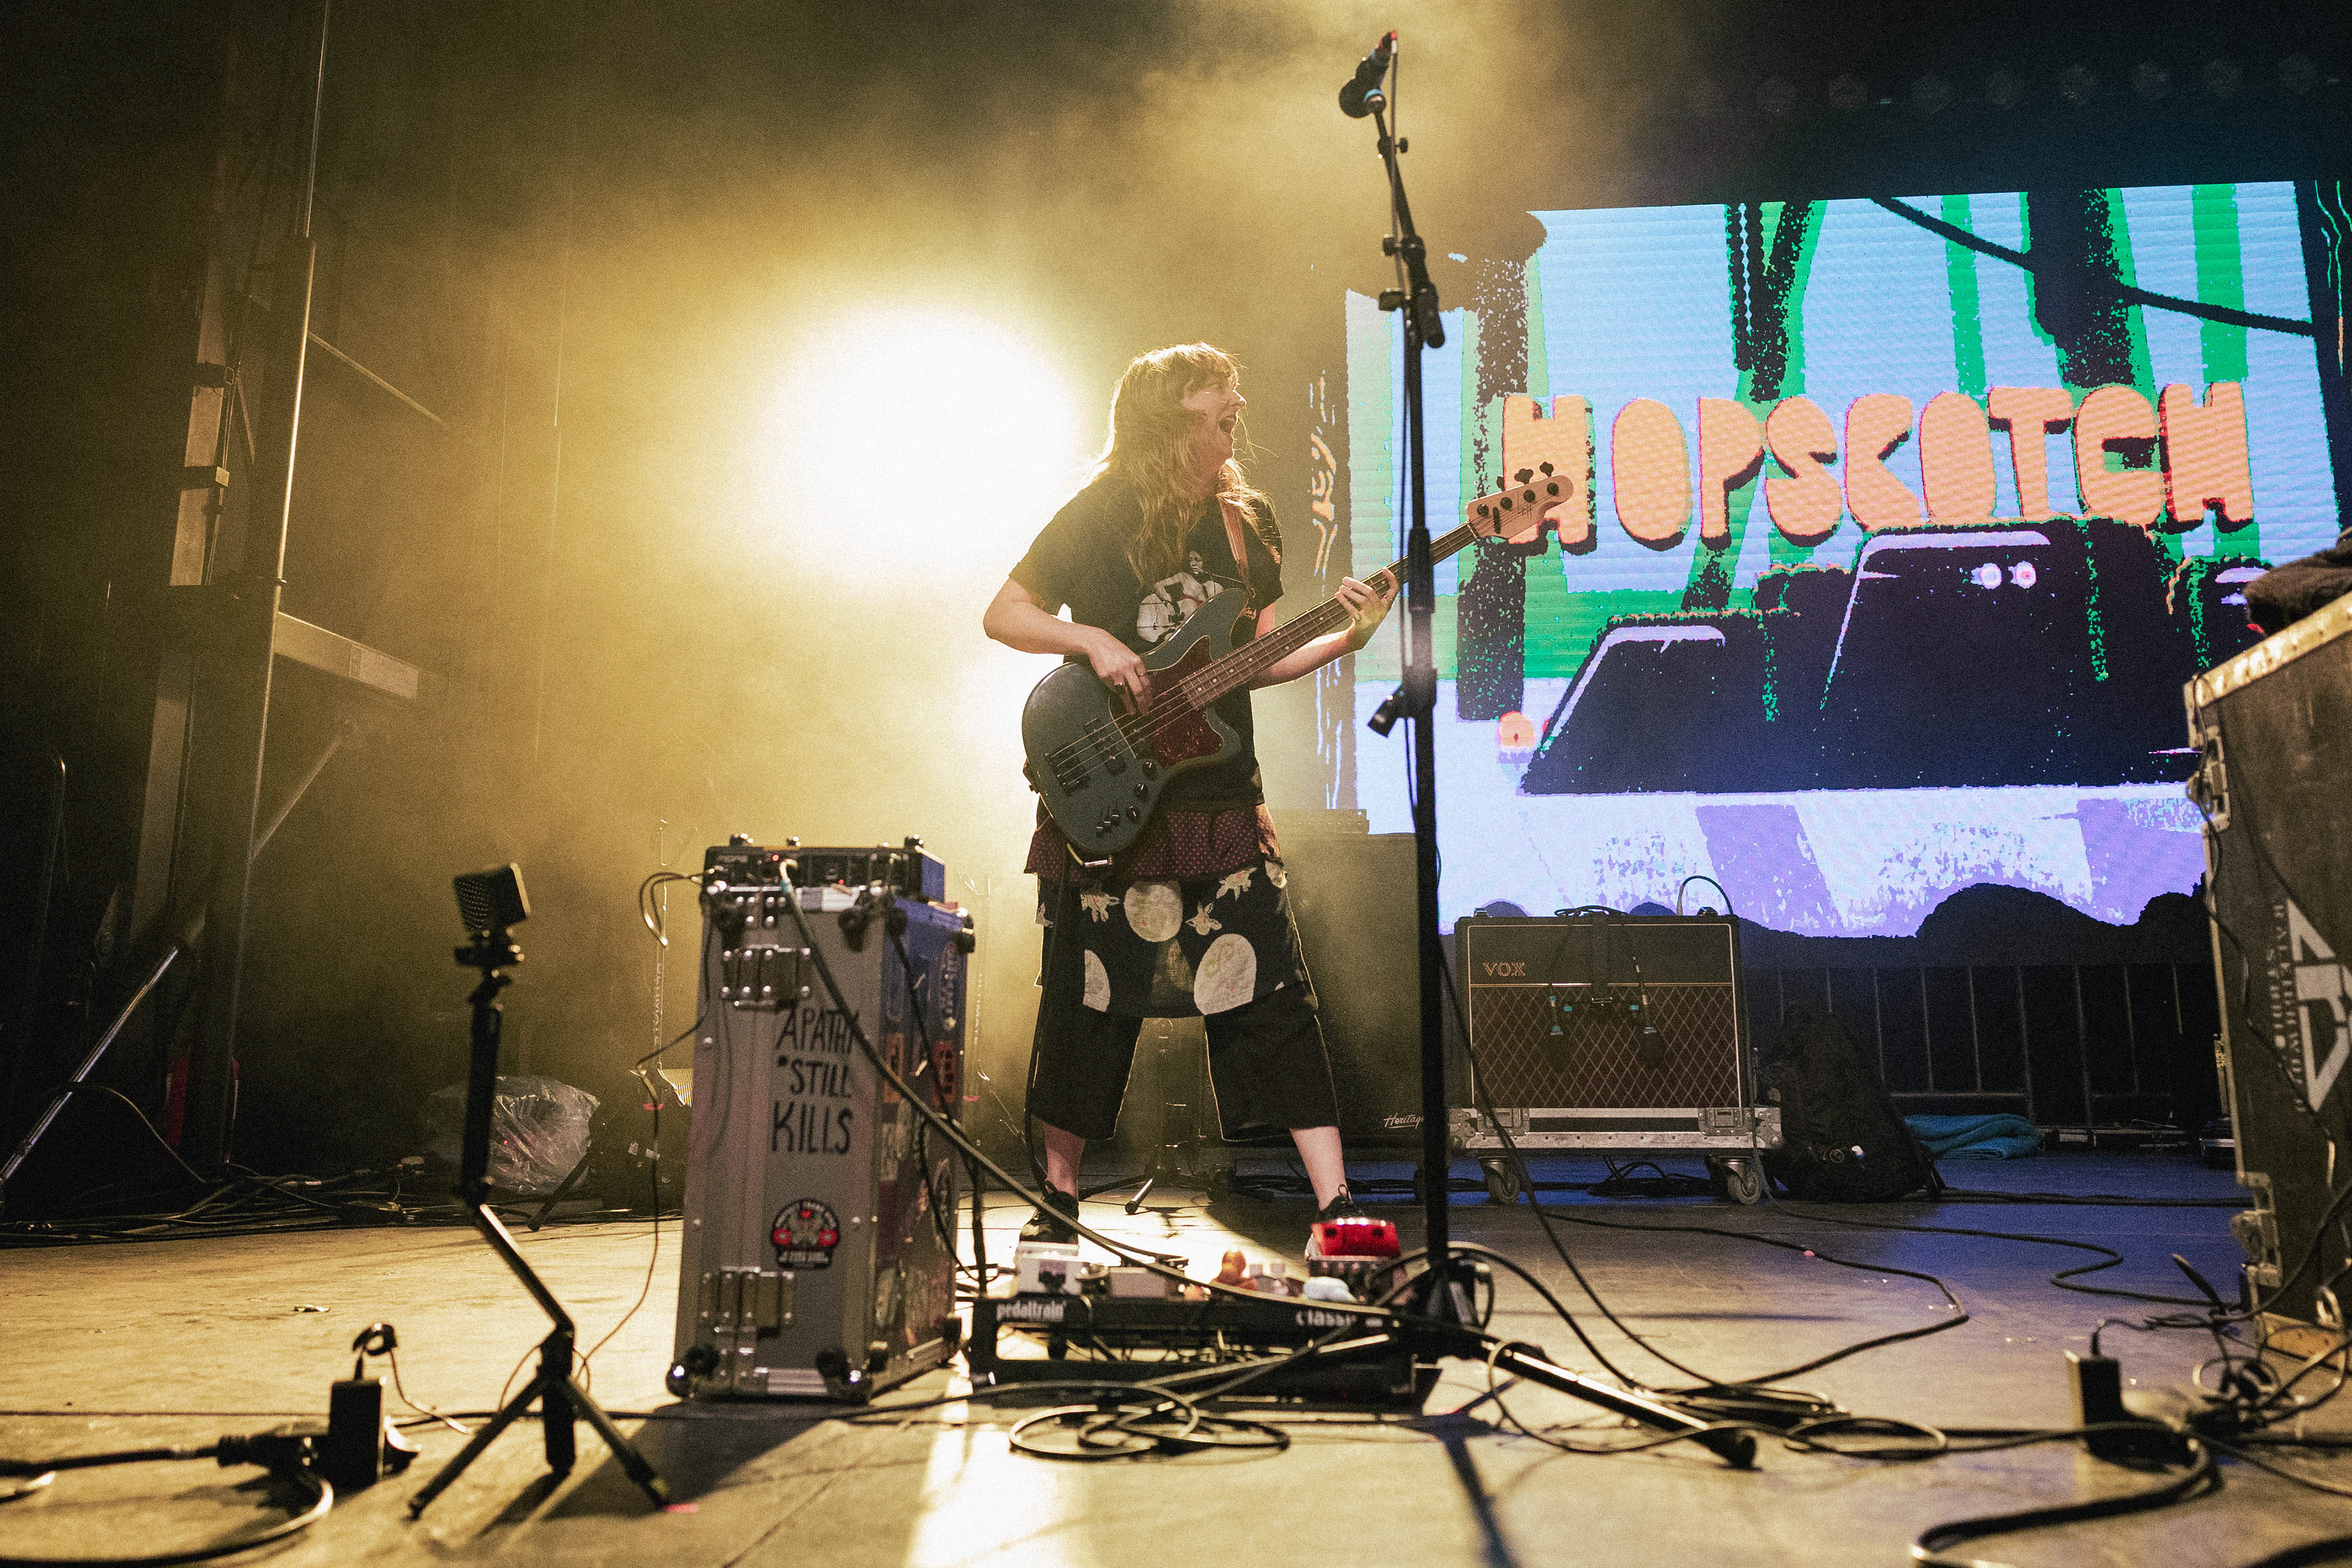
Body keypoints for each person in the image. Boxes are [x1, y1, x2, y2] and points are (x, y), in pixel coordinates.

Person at [981, 342, 1393, 1251]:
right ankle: (1057, 1198)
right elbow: (1003, 613)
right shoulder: (1097, 513)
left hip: (1216, 796)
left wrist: (1350, 638)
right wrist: (1092, 639)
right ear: (1173, 422)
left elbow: (1265, 653)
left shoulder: (1247, 523)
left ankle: (1335, 1204)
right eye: (1219, 407)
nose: (1236, 415)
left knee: (1273, 995)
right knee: (1091, 1001)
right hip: (1113, 795)